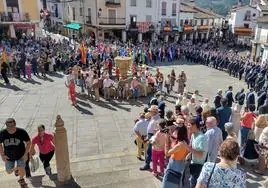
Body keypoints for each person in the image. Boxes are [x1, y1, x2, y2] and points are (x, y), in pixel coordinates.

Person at [0, 118, 31, 186]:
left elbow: (28, 142)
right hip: (8, 156)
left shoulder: (21, 132)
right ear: (6, 126)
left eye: (12, 126)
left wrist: (26, 154)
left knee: (22, 169)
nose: (10, 128)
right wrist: (2, 155)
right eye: (8, 126)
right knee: (8, 171)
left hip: (21, 155)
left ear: (15, 125)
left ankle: (21, 179)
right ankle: (17, 169)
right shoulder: (2, 133)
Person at [187, 118, 208, 188]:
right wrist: (189, 154)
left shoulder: (201, 138)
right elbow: (193, 149)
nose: (187, 127)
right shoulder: (193, 134)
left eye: (189, 125)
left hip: (199, 166)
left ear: (195, 126)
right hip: (193, 164)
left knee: (194, 184)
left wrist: (187, 147)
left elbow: (200, 154)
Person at [140, 105, 160, 171]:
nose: (150, 112)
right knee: (150, 151)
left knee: (149, 151)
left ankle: (147, 165)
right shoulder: (153, 117)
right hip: (150, 135)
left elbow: (156, 132)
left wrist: (149, 139)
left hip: (152, 136)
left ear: (154, 112)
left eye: (151, 111)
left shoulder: (157, 120)